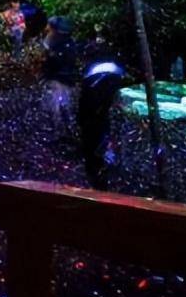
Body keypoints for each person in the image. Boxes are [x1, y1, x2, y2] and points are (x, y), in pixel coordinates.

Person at [77, 57, 128, 189]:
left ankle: (99, 179)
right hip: (98, 123)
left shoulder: (94, 77)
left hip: (96, 122)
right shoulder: (114, 75)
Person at [41, 16, 78, 136]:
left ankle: (61, 131)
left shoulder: (55, 41)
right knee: (62, 105)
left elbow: (54, 61)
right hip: (63, 77)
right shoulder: (67, 42)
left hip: (58, 78)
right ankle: (66, 130)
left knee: (57, 106)